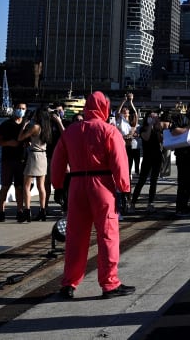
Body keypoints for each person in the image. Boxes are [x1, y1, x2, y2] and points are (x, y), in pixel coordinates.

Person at [50, 91, 134, 299]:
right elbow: (119, 163)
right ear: (104, 107)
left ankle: (69, 283)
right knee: (107, 235)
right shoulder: (109, 131)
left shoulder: (70, 131)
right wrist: (124, 189)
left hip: (76, 185)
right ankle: (109, 283)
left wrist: (58, 185)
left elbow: (57, 160)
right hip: (102, 186)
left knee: (75, 236)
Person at [18, 106, 53, 221]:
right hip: (43, 156)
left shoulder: (35, 127)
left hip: (34, 156)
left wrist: (24, 124)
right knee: (41, 186)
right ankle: (42, 210)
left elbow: (20, 137)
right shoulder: (47, 127)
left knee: (27, 185)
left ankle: (27, 211)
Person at [0, 102, 29, 222]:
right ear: (14, 109)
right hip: (8, 160)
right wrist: (9, 143)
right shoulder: (5, 124)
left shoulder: (26, 125)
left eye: (23, 109)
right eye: (19, 108)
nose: (21, 110)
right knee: (5, 186)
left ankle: (20, 211)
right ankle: (1, 211)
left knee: (19, 187)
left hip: (22, 159)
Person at [130, 110, 165, 212]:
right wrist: (150, 125)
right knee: (142, 180)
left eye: (155, 117)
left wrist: (158, 128)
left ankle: (150, 203)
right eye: (151, 117)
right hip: (147, 157)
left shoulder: (158, 128)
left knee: (154, 181)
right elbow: (146, 137)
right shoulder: (143, 128)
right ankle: (133, 203)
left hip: (157, 156)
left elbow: (161, 141)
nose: (153, 119)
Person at [116, 94, 139, 176]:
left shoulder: (132, 121)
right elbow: (117, 111)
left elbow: (135, 113)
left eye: (126, 109)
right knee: (121, 162)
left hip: (130, 145)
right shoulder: (120, 119)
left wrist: (131, 102)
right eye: (124, 109)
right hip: (122, 144)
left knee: (129, 162)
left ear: (129, 113)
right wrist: (123, 101)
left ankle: (128, 176)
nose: (125, 109)